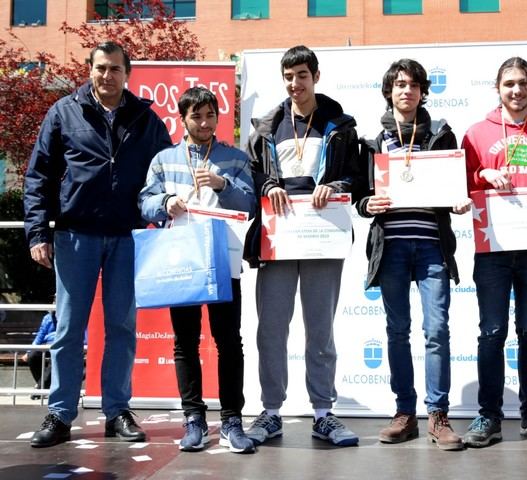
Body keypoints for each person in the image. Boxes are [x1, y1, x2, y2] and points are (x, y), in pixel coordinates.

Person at [23, 41, 172, 448]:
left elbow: (169, 170)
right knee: (69, 329)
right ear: (89, 70)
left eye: (115, 70)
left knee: (122, 327)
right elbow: (38, 177)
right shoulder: (63, 112)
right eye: (100, 68)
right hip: (74, 235)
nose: (107, 76)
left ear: (128, 73)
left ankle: (117, 411)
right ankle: (60, 413)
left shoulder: (145, 118)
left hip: (128, 236)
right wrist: (37, 232)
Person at [243, 45, 361, 446]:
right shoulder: (266, 128)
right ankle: (271, 411)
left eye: (302, 76)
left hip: (322, 236)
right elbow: (251, 175)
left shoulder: (340, 125)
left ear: (316, 76)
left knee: (320, 329)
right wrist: (269, 184)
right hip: (277, 237)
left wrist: (337, 186)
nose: (296, 84)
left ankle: (323, 414)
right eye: (289, 77)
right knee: (271, 329)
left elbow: (355, 178)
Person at [356, 59, 471, 451]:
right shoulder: (372, 140)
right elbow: (359, 194)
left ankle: (438, 415)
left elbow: (456, 187)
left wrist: (457, 202)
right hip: (390, 246)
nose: (406, 90)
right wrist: (366, 204)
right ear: (389, 91)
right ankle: (404, 412)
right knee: (397, 330)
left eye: (413, 85)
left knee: (436, 330)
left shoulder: (441, 134)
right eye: (399, 84)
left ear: (423, 91)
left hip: (430, 246)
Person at [138, 87, 257, 453]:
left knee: (228, 341)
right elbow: (144, 203)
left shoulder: (234, 158)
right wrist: (166, 202)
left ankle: (233, 420)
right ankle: (194, 420)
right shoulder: (163, 159)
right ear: (182, 119)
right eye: (196, 117)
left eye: (210, 116)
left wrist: (222, 185)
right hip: (181, 262)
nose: (204, 123)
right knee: (185, 342)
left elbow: (250, 203)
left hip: (222, 259)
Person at [461, 57, 527, 448]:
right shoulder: (475, 134)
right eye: (509, 84)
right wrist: (481, 175)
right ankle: (488, 415)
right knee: (491, 332)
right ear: (497, 87)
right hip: (494, 248)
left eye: (523, 83)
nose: (516, 90)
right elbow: (459, 187)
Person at [22, 311, 57, 398]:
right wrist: (29, 351)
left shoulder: (68, 316)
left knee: (55, 358)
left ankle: (40, 388)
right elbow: (40, 335)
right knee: (32, 357)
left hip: (61, 344)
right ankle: (43, 385)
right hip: (47, 344)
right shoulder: (48, 317)